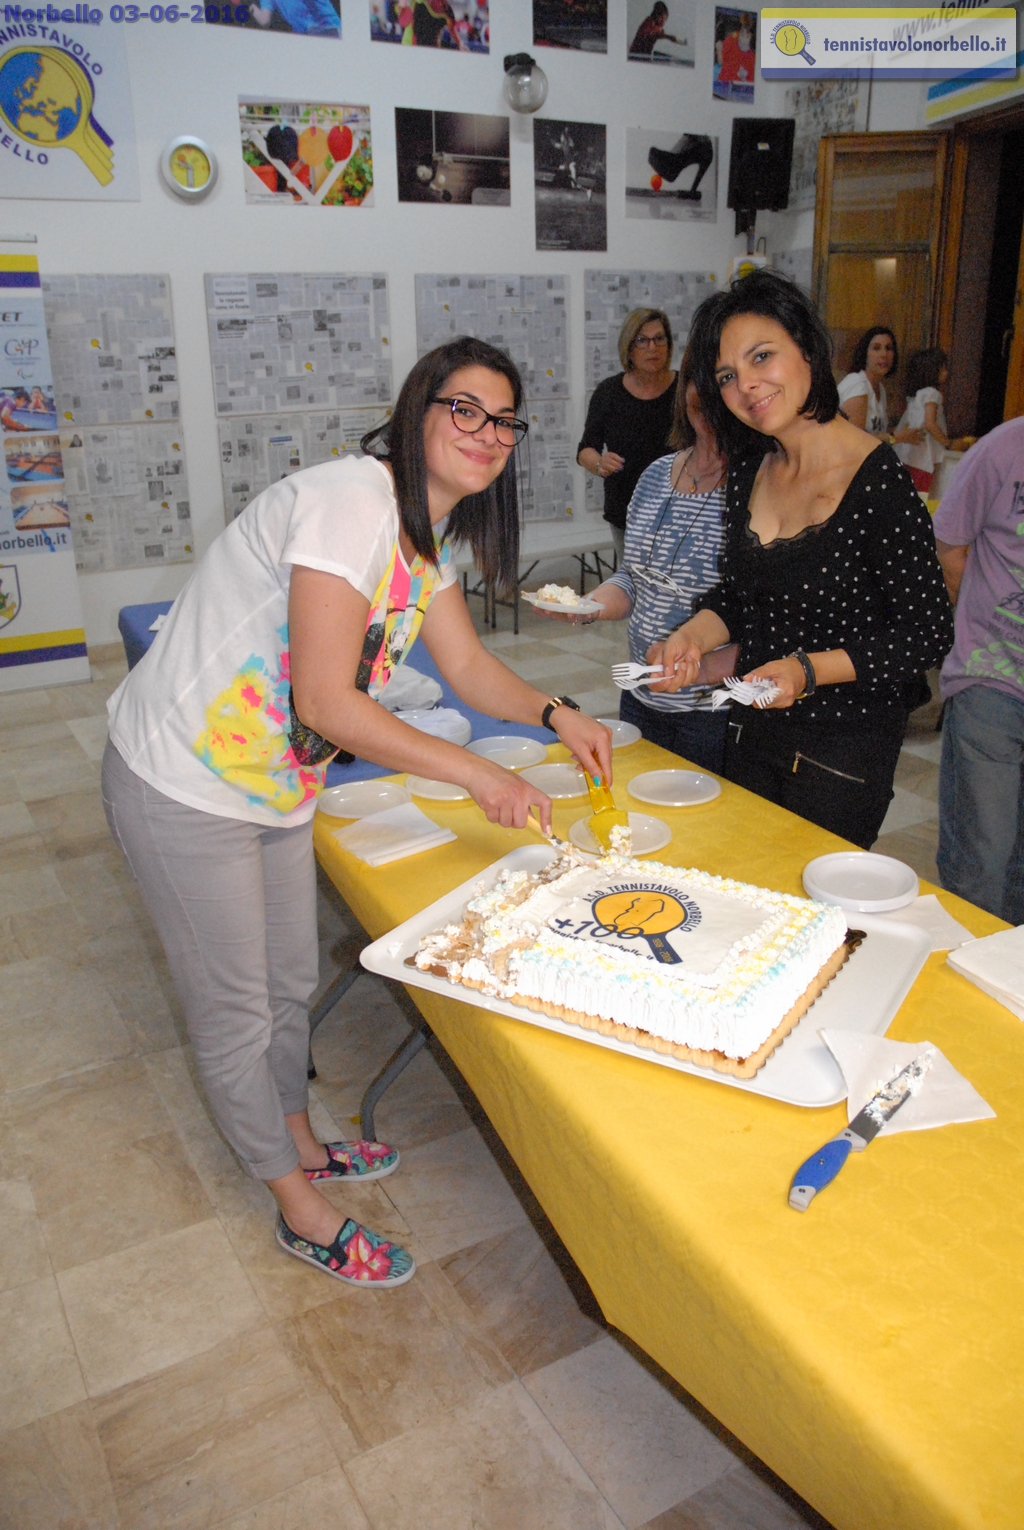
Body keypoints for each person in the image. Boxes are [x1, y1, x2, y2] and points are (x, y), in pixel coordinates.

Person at [101, 337, 612, 1290]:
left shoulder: (435, 533)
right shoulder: (351, 503)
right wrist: (475, 775)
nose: (486, 433)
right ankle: (295, 1201)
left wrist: (557, 711)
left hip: (274, 787)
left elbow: (463, 667)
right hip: (182, 782)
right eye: (465, 409)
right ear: (419, 410)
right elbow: (328, 705)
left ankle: (300, 1132)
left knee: (288, 980)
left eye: (504, 420)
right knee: (236, 1010)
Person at [651, 271, 954, 849]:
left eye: (762, 356)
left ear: (807, 348)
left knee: (808, 915)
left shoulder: (877, 481)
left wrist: (808, 670)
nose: (747, 386)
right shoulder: (751, 467)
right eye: (727, 376)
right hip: (751, 724)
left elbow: (927, 632)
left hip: (842, 749)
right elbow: (741, 596)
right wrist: (692, 635)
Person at [556, 355, 730, 774]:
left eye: (721, 382)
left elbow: (759, 610)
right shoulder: (655, 476)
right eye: (697, 382)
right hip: (640, 694)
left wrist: (697, 667)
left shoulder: (753, 485)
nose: (705, 397)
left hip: (712, 708)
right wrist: (590, 605)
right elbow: (634, 579)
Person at [933, 416, 1024, 924]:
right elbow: (950, 546)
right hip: (994, 679)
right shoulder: (1002, 450)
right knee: (981, 860)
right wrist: (984, 616)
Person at [577, 308, 679, 564]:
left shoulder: (686, 390)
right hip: (627, 515)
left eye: (659, 339)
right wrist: (599, 463)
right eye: (642, 340)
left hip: (680, 514)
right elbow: (585, 450)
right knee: (631, 590)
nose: (652, 347)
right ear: (629, 348)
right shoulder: (608, 393)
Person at [894, 347, 975, 495]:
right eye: (942, 368)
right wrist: (948, 443)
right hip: (922, 458)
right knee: (921, 496)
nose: (946, 372)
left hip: (907, 455)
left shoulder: (915, 396)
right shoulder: (933, 394)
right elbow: (930, 423)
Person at [837, 326, 922, 448]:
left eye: (889, 348)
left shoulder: (880, 388)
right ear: (865, 353)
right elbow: (854, 439)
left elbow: (875, 433)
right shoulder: (857, 384)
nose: (884, 354)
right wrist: (896, 437)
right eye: (876, 348)